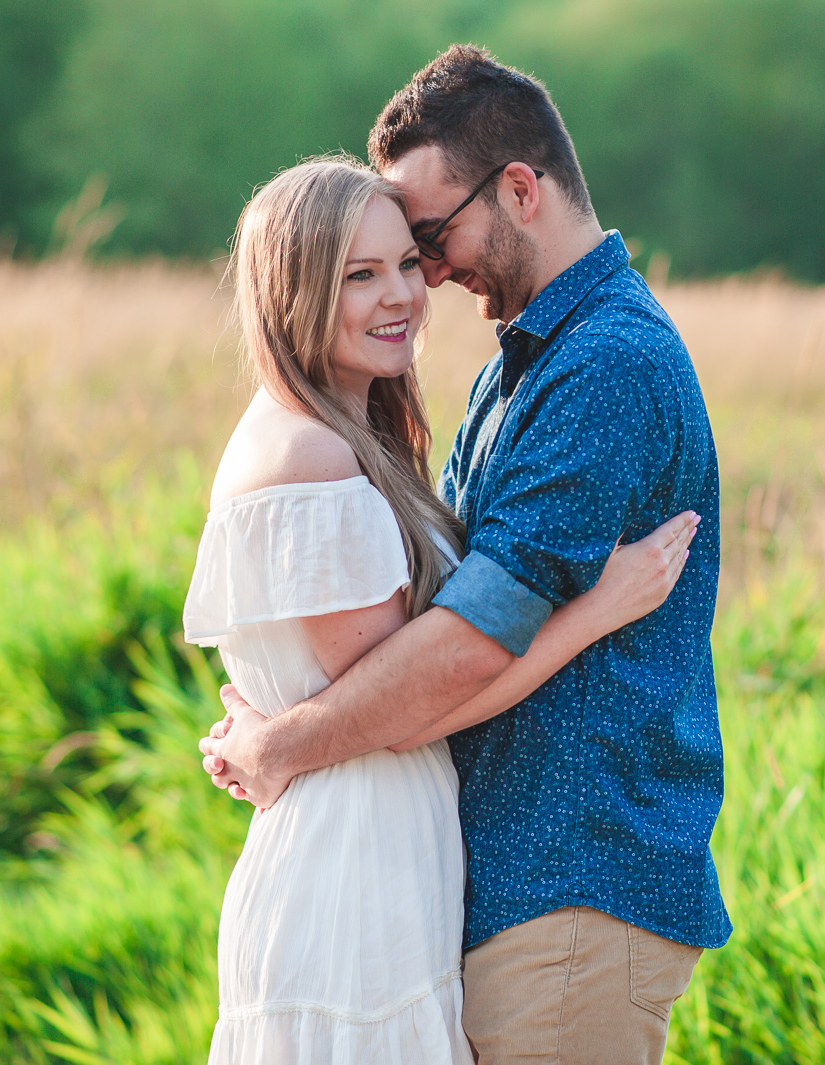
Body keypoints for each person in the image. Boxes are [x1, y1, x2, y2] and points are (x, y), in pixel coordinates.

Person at [200, 45, 732, 1064]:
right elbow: (422, 629)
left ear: (520, 190)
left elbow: (471, 640)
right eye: (385, 260)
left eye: (426, 240)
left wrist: (284, 745)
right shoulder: (519, 366)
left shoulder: (604, 365)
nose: (426, 276)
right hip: (494, 886)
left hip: (571, 885)